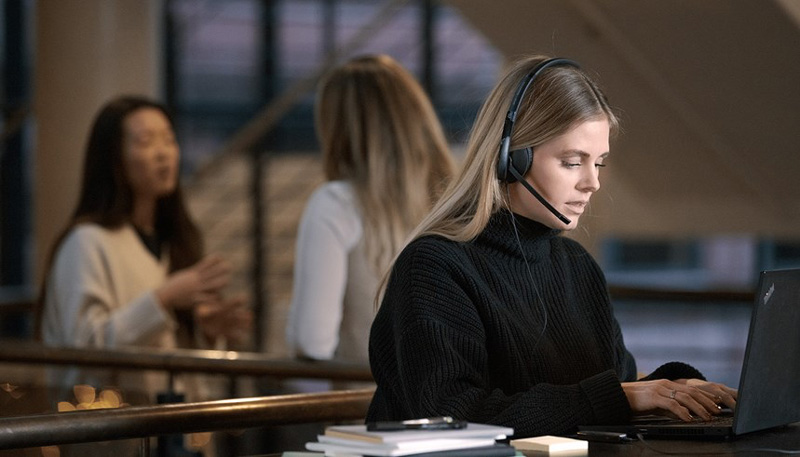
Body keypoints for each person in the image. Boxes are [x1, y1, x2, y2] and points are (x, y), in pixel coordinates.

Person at [366, 55, 738, 437]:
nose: (592, 183)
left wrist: (678, 388)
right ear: (512, 159)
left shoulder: (576, 265)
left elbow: (615, 385)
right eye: (573, 162)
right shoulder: (435, 266)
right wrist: (622, 396)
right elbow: (453, 416)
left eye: (600, 164)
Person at [36, 95, 251, 404]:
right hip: (112, 436)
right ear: (114, 159)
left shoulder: (173, 239)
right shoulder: (87, 242)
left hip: (175, 430)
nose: (163, 153)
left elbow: (170, 353)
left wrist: (204, 330)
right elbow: (84, 347)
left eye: (169, 139)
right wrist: (164, 298)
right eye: (146, 142)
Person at [285, 54, 456, 367]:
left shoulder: (336, 203)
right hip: (453, 407)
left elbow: (311, 342)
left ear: (338, 128)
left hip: (368, 408)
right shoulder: (459, 203)